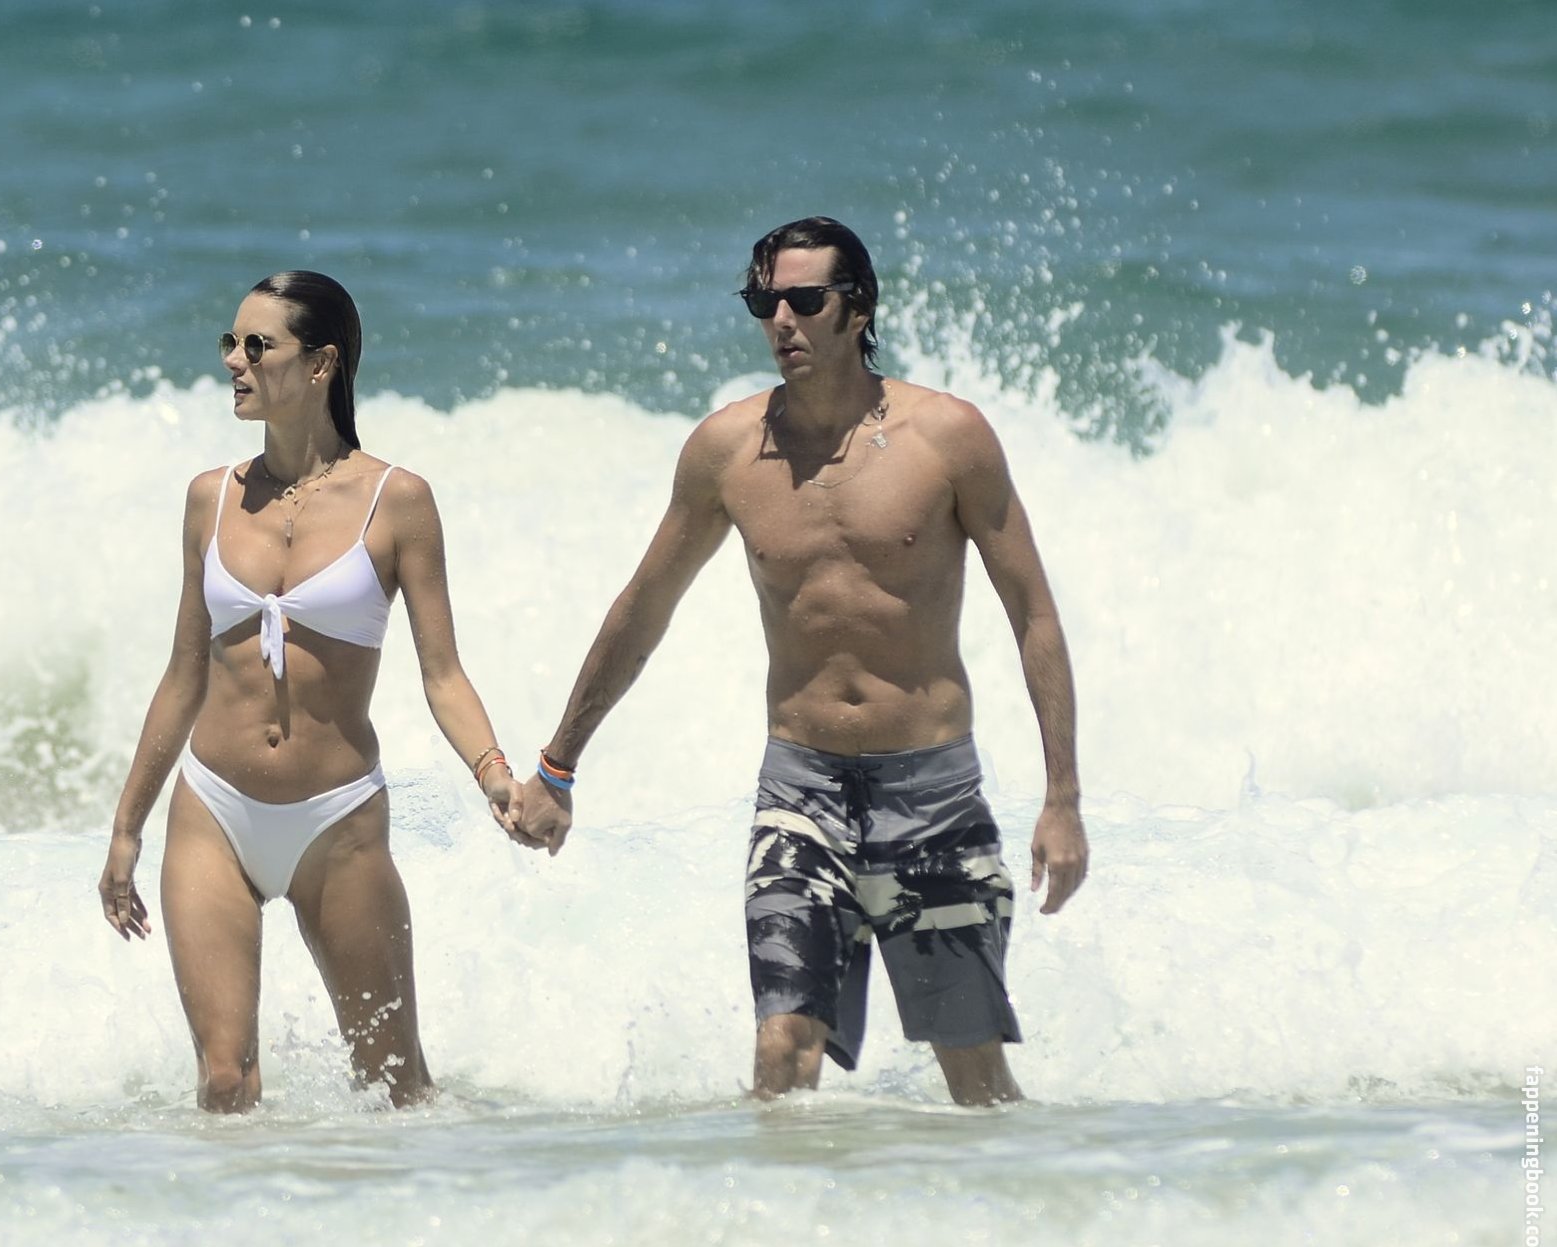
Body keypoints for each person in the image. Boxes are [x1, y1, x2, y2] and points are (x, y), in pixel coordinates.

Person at [515, 217, 1088, 1104]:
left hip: (931, 788)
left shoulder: (948, 437)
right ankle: (780, 1203)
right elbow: (643, 609)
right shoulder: (727, 451)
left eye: (804, 301)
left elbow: (1034, 615)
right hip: (800, 788)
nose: (781, 321)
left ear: (858, 309)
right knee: (782, 1047)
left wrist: (1062, 799)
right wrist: (558, 764)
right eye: (764, 303)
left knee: (970, 1068)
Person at [100, 270, 522, 1111]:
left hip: (338, 821)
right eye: (229, 342)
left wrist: (495, 775)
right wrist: (125, 830)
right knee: (225, 1083)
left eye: (258, 345)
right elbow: (183, 674)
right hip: (213, 810)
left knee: (396, 1089)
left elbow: (441, 672)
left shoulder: (397, 501)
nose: (235, 360)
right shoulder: (210, 498)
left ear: (321, 363)